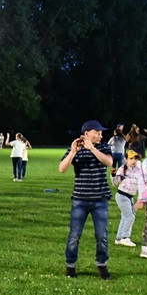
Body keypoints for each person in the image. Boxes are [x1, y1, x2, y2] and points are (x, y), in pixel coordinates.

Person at [58, 120, 113, 279]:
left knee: (102, 235)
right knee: (74, 235)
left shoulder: (103, 147)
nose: (100, 135)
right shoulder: (76, 148)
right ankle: (70, 265)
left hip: (100, 199)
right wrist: (73, 152)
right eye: (97, 132)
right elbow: (62, 169)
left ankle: (102, 264)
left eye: (101, 133)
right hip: (80, 199)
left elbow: (109, 162)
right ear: (87, 133)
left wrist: (92, 149)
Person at [111, 150, 141, 247]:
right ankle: (125, 237)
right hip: (122, 195)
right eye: (131, 158)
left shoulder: (138, 170)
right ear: (126, 159)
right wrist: (113, 175)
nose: (133, 161)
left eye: (135, 158)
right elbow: (115, 184)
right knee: (130, 216)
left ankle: (119, 238)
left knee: (125, 217)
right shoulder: (122, 169)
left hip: (130, 196)